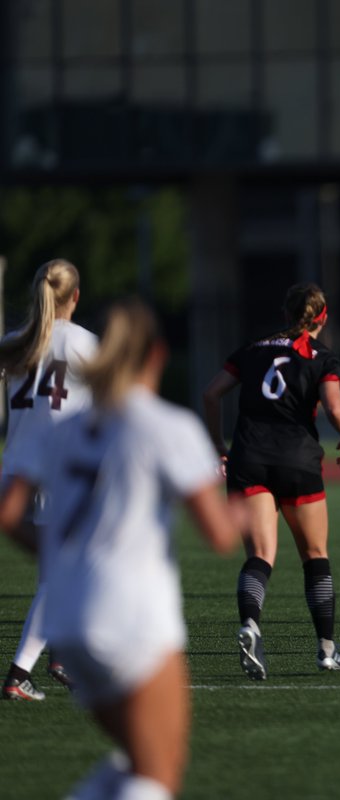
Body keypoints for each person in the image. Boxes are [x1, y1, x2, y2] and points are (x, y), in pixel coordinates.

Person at [0, 297, 240, 799]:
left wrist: (57, 554)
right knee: (159, 771)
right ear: (157, 354)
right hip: (132, 619)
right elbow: (219, 536)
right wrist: (248, 509)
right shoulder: (165, 425)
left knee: (135, 763)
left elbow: (7, 513)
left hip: (68, 621)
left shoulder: (61, 431)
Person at [202, 283, 340, 681]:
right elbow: (334, 406)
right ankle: (326, 650)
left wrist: (217, 444)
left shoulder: (253, 349)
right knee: (315, 554)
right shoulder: (322, 356)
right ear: (322, 317)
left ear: (286, 313)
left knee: (260, 555)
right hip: (297, 460)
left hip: (248, 459)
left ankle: (250, 624)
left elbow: (212, 394)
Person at [0, 258, 97, 702]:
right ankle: (19, 674)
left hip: (17, 469)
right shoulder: (84, 343)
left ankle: (59, 657)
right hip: (60, 468)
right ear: (74, 296)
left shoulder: (13, 342)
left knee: (58, 569)